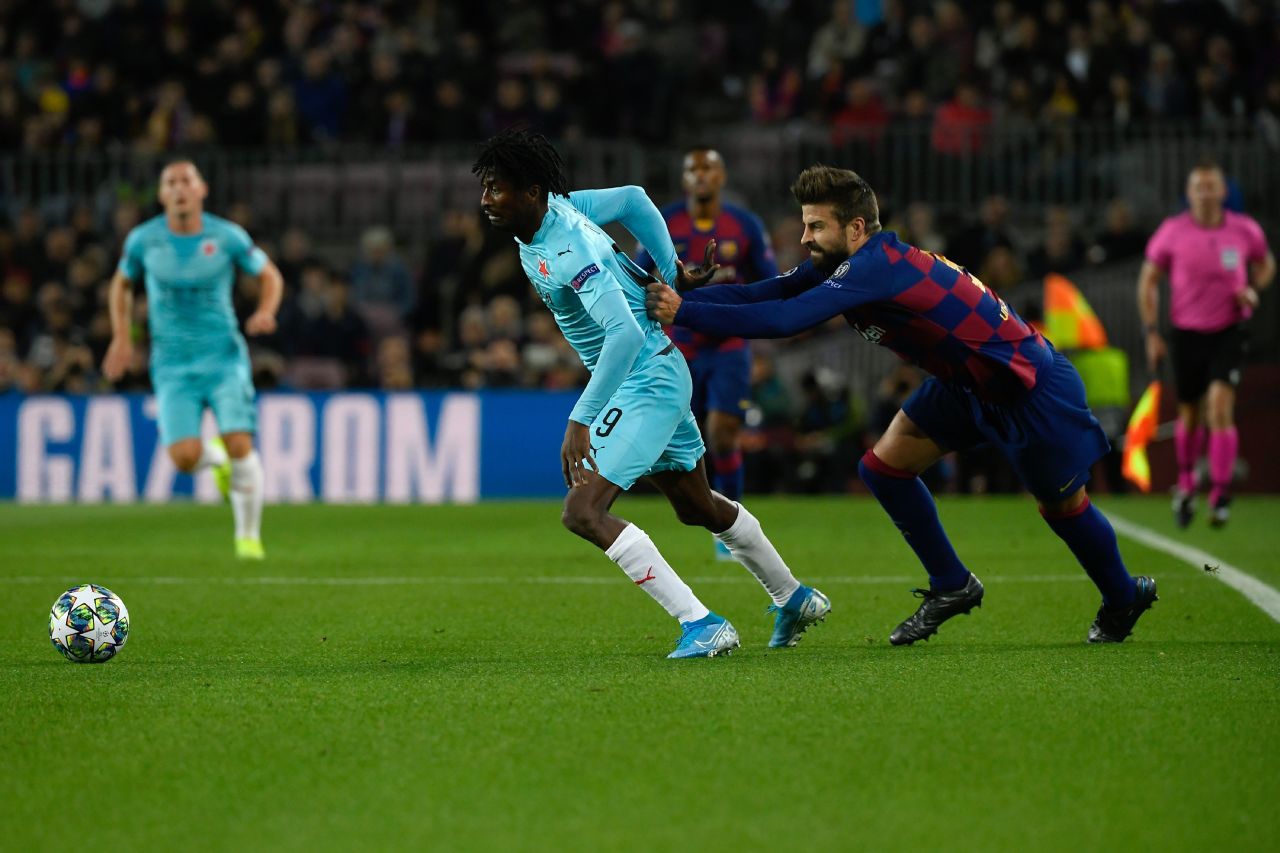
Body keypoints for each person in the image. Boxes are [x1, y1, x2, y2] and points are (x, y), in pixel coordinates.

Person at [647, 164, 1158, 646]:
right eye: (805, 226)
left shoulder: (873, 269)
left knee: (1062, 508)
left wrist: (685, 312)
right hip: (963, 385)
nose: (804, 238)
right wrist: (688, 295)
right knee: (883, 468)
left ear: (856, 228)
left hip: (1026, 389)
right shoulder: (852, 260)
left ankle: (1122, 597)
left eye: (816, 226)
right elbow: (769, 294)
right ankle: (952, 584)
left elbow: (784, 322)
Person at [473, 128, 829, 659]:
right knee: (696, 506)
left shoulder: (568, 249)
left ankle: (701, 623)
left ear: (530, 193)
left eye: (497, 188)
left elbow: (624, 334)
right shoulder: (559, 209)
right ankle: (793, 596)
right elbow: (635, 199)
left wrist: (581, 418)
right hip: (659, 371)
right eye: (485, 187)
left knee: (583, 511)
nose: (485, 200)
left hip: (645, 379)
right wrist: (672, 272)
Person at [102, 160, 283, 560]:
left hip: (223, 358)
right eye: (171, 183)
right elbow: (121, 284)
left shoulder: (227, 236)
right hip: (171, 363)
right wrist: (121, 337)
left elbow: (270, 274)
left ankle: (248, 538)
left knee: (240, 442)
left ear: (202, 190)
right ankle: (215, 460)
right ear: (162, 195)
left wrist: (266, 310)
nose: (179, 188)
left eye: (187, 181)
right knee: (184, 458)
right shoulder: (143, 240)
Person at [635, 147, 779, 560]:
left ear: (722, 177)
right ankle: (700, 511)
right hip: (679, 347)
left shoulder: (745, 225)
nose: (700, 176)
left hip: (730, 346)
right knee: (684, 442)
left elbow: (769, 284)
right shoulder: (666, 223)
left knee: (722, 433)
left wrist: (763, 337)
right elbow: (640, 276)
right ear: (684, 180)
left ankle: (729, 530)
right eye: (692, 169)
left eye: (708, 168)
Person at [1138, 162, 1273, 528]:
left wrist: (1252, 290)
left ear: (1222, 192)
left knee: (1219, 405)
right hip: (1187, 333)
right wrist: (1152, 331)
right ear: (1189, 192)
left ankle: (1221, 492)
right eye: (1199, 187)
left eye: (1211, 186)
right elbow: (1148, 279)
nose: (1205, 193)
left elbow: (1265, 264)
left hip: (1230, 330)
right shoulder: (1173, 232)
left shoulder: (1244, 230)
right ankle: (1185, 482)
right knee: (1190, 413)